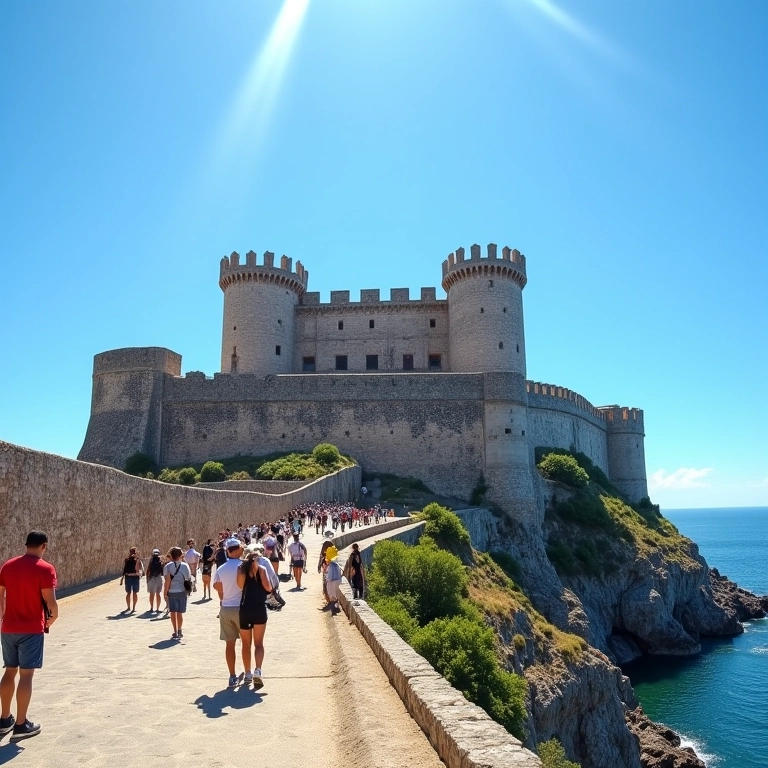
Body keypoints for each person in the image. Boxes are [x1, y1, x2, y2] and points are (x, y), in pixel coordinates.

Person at [0, 531, 58, 742]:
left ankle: (4, 719)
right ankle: (21, 724)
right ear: (44, 546)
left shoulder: (8, 566)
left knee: (9, 671)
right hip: (31, 629)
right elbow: (51, 603)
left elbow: (1, 597)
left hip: (8, 628)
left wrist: (3, 619)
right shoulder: (45, 568)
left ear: (26, 544)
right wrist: (50, 620)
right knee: (26, 675)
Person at [236, 549, 272, 691]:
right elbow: (268, 588)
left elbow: (240, 586)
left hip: (245, 609)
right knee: (258, 644)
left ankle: (248, 673)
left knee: (245, 644)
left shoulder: (241, 570)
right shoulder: (262, 570)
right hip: (259, 609)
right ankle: (258, 670)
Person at [212, 538, 245, 687]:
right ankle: (248, 672)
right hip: (242, 608)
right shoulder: (244, 566)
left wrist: (225, 595)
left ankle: (232, 676)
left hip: (226, 608)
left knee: (229, 644)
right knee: (246, 642)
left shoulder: (221, 568)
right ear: (236, 550)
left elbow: (217, 586)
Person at [163, 547, 191, 640]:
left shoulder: (167, 566)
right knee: (180, 613)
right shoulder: (185, 566)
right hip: (182, 591)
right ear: (180, 555)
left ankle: (175, 631)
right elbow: (188, 578)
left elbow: (167, 581)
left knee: (173, 612)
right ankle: (179, 630)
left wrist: (165, 593)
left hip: (171, 591)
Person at [120, 547, 144, 613]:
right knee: (134, 593)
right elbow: (141, 569)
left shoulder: (127, 559)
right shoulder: (137, 559)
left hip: (128, 577)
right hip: (135, 577)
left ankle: (129, 607)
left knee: (129, 593)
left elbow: (124, 569)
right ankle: (133, 607)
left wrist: (122, 578)